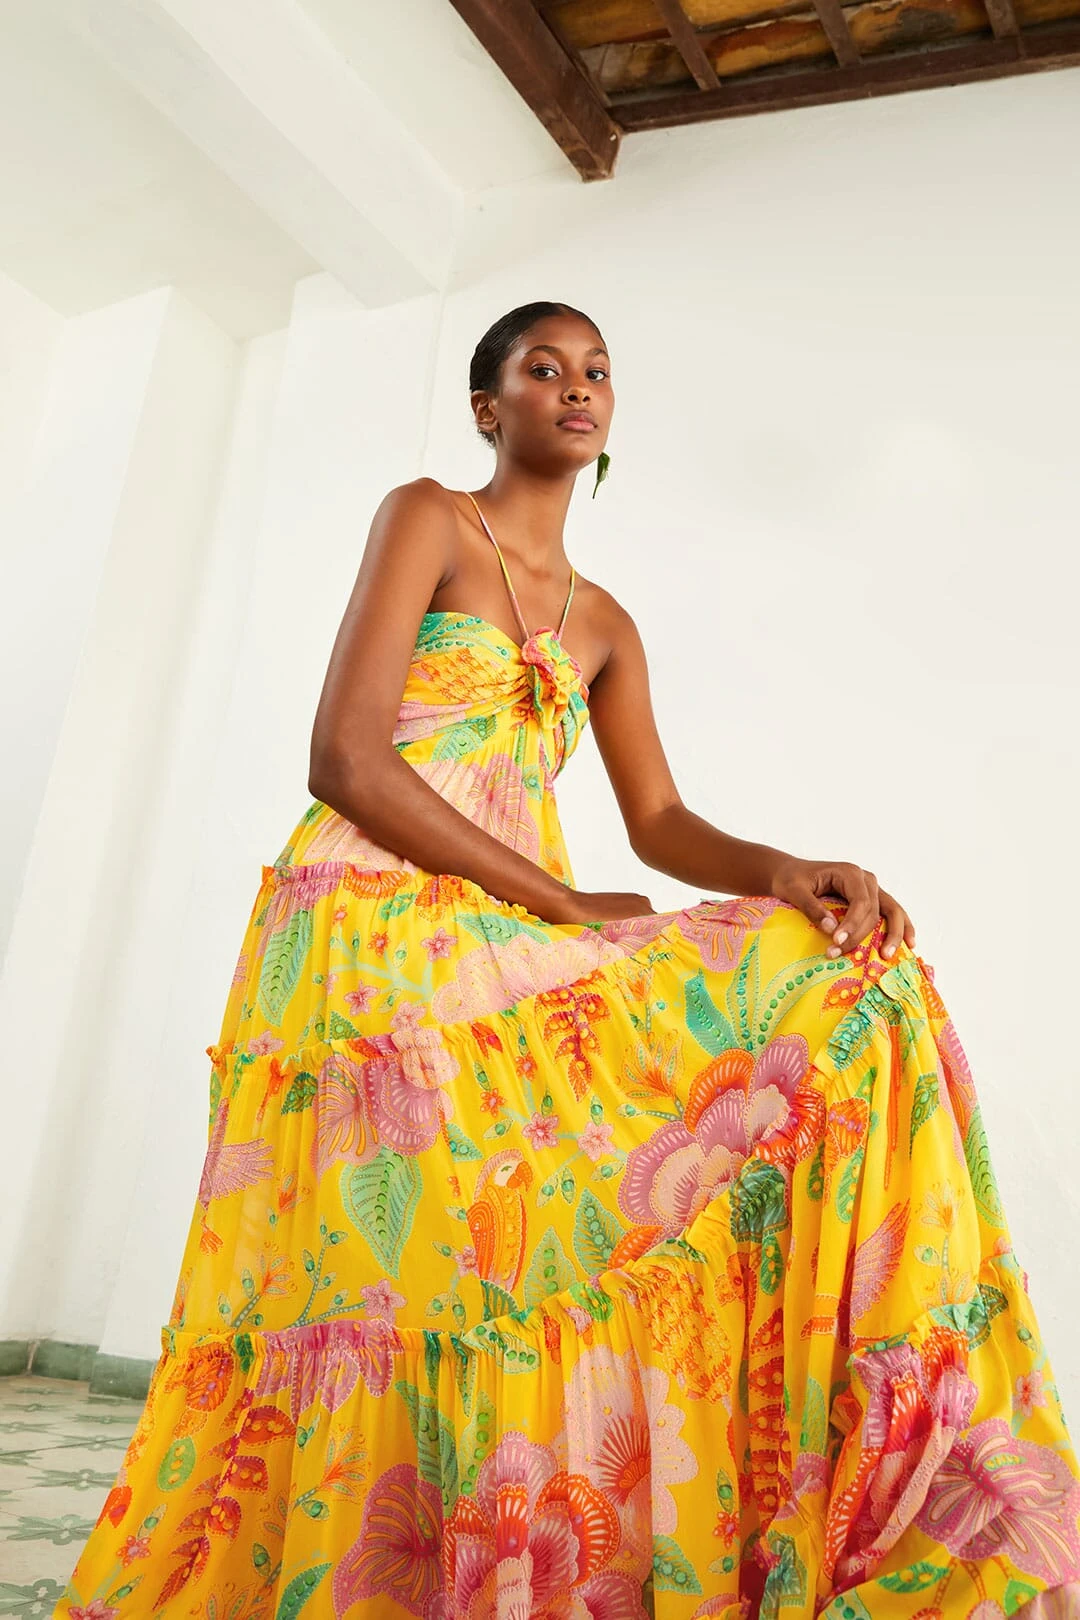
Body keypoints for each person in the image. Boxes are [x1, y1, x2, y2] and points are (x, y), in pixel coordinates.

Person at [57, 302, 1080, 1620]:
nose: (577, 386)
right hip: (366, 925)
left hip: (505, 940)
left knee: (836, 990)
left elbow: (659, 821)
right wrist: (559, 901)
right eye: (543, 367)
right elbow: (346, 756)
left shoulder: (605, 624)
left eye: (597, 370)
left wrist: (783, 869)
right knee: (393, 1268)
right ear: (490, 408)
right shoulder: (427, 517)